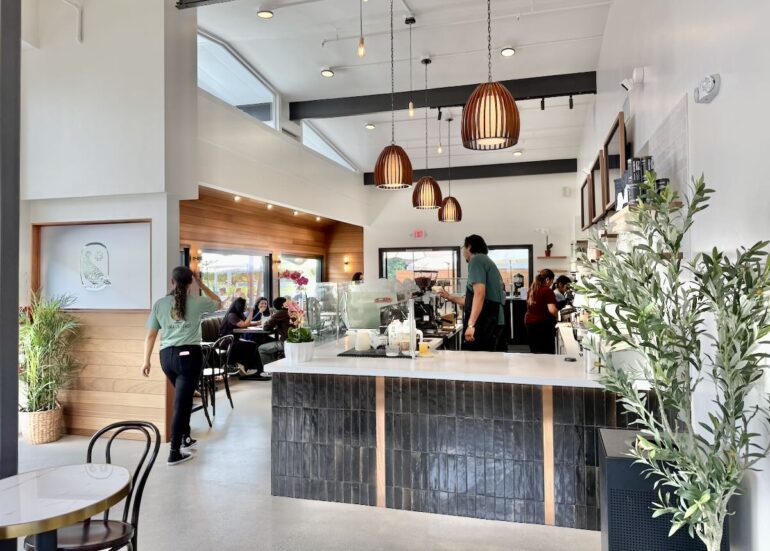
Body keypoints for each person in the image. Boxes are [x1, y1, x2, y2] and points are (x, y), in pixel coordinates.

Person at [142, 266, 221, 466]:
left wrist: (146, 361)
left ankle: (185, 437)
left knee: (183, 399)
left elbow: (151, 335)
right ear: (190, 283)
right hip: (189, 357)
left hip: (166, 358)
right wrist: (202, 284)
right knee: (182, 404)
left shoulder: (159, 304)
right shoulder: (197, 301)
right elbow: (218, 302)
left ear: (172, 281)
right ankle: (174, 452)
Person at [438, 235, 505, 352]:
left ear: (469, 247)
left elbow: (479, 294)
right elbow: (473, 300)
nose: (463, 251)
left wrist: (471, 325)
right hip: (493, 319)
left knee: (475, 358)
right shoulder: (486, 260)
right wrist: (449, 297)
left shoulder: (476, 261)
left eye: (463, 248)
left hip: (485, 321)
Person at [218, 298, 270, 379]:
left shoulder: (239, 314)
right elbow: (245, 324)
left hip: (234, 340)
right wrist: (251, 312)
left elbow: (247, 322)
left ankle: (252, 369)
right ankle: (253, 369)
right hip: (227, 341)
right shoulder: (232, 315)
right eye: (245, 305)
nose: (246, 306)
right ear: (240, 306)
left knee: (253, 345)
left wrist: (257, 323)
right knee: (253, 345)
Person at [524, 269, 559, 354]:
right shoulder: (547, 291)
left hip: (530, 323)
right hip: (542, 325)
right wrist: (559, 316)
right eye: (551, 281)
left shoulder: (532, 289)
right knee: (545, 353)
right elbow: (552, 310)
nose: (551, 284)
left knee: (535, 351)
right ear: (547, 279)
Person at [258, 297, 292, 366]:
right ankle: (275, 367)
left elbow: (266, 327)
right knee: (270, 342)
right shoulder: (291, 312)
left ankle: (270, 370)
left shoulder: (281, 313)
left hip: (286, 343)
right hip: (293, 342)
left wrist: (271, 319)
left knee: (262, 349)